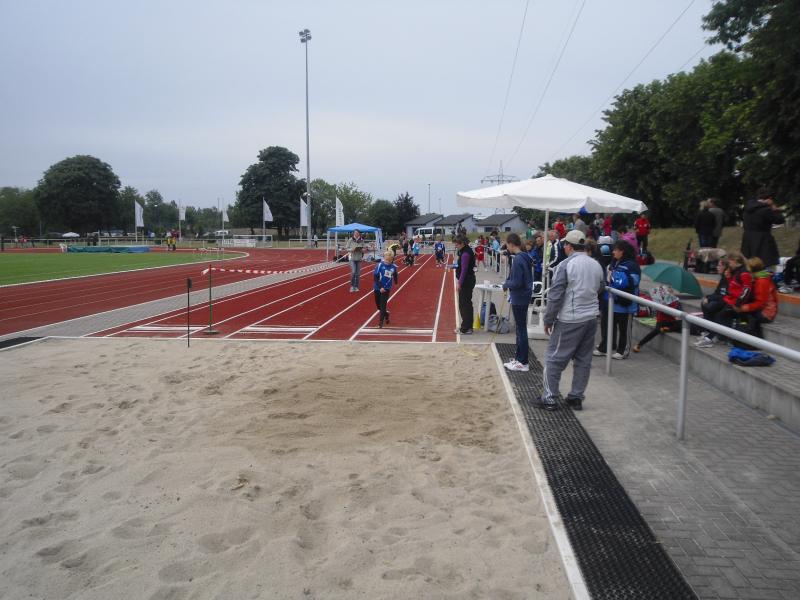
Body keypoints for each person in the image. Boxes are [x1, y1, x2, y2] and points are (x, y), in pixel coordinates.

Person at [538, 230, 605, 411]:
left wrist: (548, 319)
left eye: (565, 245)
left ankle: (550, 397)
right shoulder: (596, 264)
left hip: (570, 318)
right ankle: (576, 397)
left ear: (568, 246)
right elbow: (601, 287)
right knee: (583, 360)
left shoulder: (566, 265)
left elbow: (555, 295)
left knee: (554, 359)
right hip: (591, 317)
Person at [695, 250, 753, 347]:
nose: (729, 264)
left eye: (730, 262)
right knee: (717, 313)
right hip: (729, 300)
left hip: (735, 303)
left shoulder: (744, 273)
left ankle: (711, 338)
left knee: (720, 316)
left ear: (735, 261)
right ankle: (714, 337)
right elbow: (733, 287)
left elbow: (746, 290)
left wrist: (738, 304)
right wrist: (728, 278)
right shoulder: (737, 271)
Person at [595, 240, 641, 359]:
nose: (613, 252)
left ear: (622, 251)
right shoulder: (615, 262)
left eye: (616, 250)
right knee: (610, 326)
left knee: (624, 329)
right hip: (613, 302)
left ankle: (623, 351)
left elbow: (634, 282)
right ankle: (607, 347)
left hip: (626, 303)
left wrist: (618, 279)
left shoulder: (632, 265)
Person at [501, 234, 534, 372]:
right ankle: (519, 358)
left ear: (511, 244)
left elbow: (517, 282)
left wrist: (506, 284)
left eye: (507, 245)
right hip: (522, 296)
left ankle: (523, 361)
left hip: (520, 297)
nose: (507, 248)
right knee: (520, 329)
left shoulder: (519, 259)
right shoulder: (524, 257)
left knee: (521, 330)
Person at [734, 257, 777, 339]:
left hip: (767, 313)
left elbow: (760, 303)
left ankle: (745, 337)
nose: (746, 270)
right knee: (742, 313)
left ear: (752, 269)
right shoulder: (759, 277)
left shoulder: (762, 281)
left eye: (748, 267)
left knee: (744, 315)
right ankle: (747, 336)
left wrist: (745, 308)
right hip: (763, 310)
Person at [741, 188, 785, 269]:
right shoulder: (766, 210)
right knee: (764, 263)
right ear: (769, 198)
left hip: (748, 239)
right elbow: (780, 220)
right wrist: (774, 208)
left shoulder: (748, 208)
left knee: (750, 263)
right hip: (762, 239)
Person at [633, 286, 681, 353]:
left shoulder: (676, 301)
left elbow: (678, 313)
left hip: (671, 321)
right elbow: (659, 311)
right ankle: (639, 344)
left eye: (671, 292)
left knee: (682, 324)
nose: (669, 293)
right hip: (662, 321)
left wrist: (674, 312)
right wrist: (662, 306)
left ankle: (668, 329)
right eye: (667, 292)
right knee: (656, 330)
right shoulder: (661, 301)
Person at [453, 235, 476, 335]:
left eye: (457, 244)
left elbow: (464, 270)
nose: (455, 245)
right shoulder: (466, 251)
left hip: (466, 281)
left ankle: (465, 328)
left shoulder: (465, 254)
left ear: (462, 243)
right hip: (469, 279)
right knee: (467, 303)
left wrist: (459, 283)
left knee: (464, 304)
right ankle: (468, 326)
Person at [373, 250, 399, 328]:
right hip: (377, 287)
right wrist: (380, 287)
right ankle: (386, 314)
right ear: (384, 258)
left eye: (389, 260)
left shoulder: (393, 267)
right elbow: (375, 277)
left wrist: (396, 282)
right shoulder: (379, 265)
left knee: (383, 305)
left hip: (386, 288)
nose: (387, 261)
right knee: (378, 306)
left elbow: (395, 275)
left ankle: (380, 323)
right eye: (386, 259)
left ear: (392, 259)